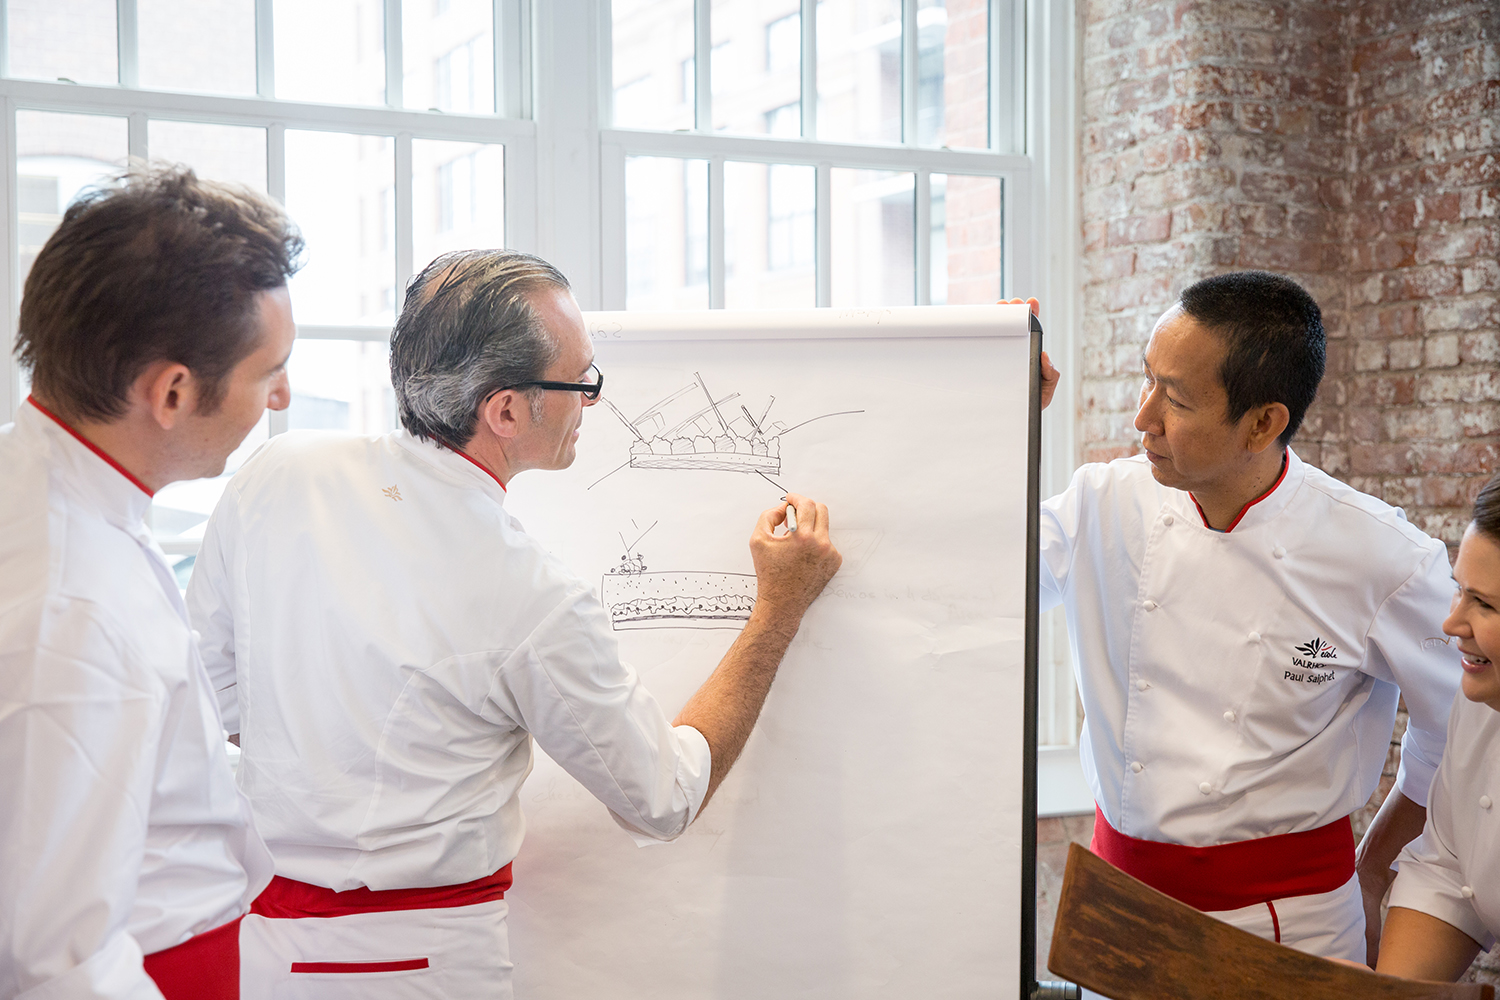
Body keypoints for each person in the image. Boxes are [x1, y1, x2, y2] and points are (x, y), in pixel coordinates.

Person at [186, 249, 842, 998]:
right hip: (422, 970)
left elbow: (217, 706)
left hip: (263, 955)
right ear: (504, 410)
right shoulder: (529, 595)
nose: (591, 403)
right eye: (583, 382)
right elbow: (664, 799)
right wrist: (777, 611)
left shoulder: (279, 473)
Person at [1036, 270, 1459, 964]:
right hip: (1117, 906)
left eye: (1174, 399)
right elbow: (979, 587)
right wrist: (1000, 421)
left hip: (1287, 923)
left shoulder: (1381, 554)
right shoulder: (1100, 503)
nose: (1142, 418)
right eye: (1147, 382)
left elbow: (1461, 733)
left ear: (1262, 423)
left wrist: (1379, 865)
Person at [0, 166, 302, 999]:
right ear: (171, 392)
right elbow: (58, 962)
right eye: (268, 370)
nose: (281, 395)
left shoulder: (48, 488)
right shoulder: (75, 611)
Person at [1375, 471, 1500, 981]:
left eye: (1486, 605)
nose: (1452, 625)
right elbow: (1450, 871)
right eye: (1459, 591)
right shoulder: (1478, 703)